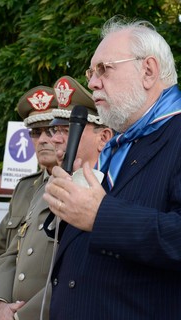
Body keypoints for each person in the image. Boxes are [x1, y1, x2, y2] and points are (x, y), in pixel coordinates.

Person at [43, 17, 181, 319]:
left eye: (104, 69)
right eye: (91, 72)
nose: (92, 82)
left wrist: (101, 215)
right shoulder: (120, 143)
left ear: (148, 71)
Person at [0, 77, 106, 320]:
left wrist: (21, 316)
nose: (53, 139)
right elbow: (10, 251)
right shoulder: (41, 187)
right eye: (54, 130)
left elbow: (77, 273)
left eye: (68, 129)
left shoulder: (105, 191)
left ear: (104, 137)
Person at [0, 86, 58, 319]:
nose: (43, 139)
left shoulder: (83, 184)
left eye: (51, 130)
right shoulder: (25, 188)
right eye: (35, 132)